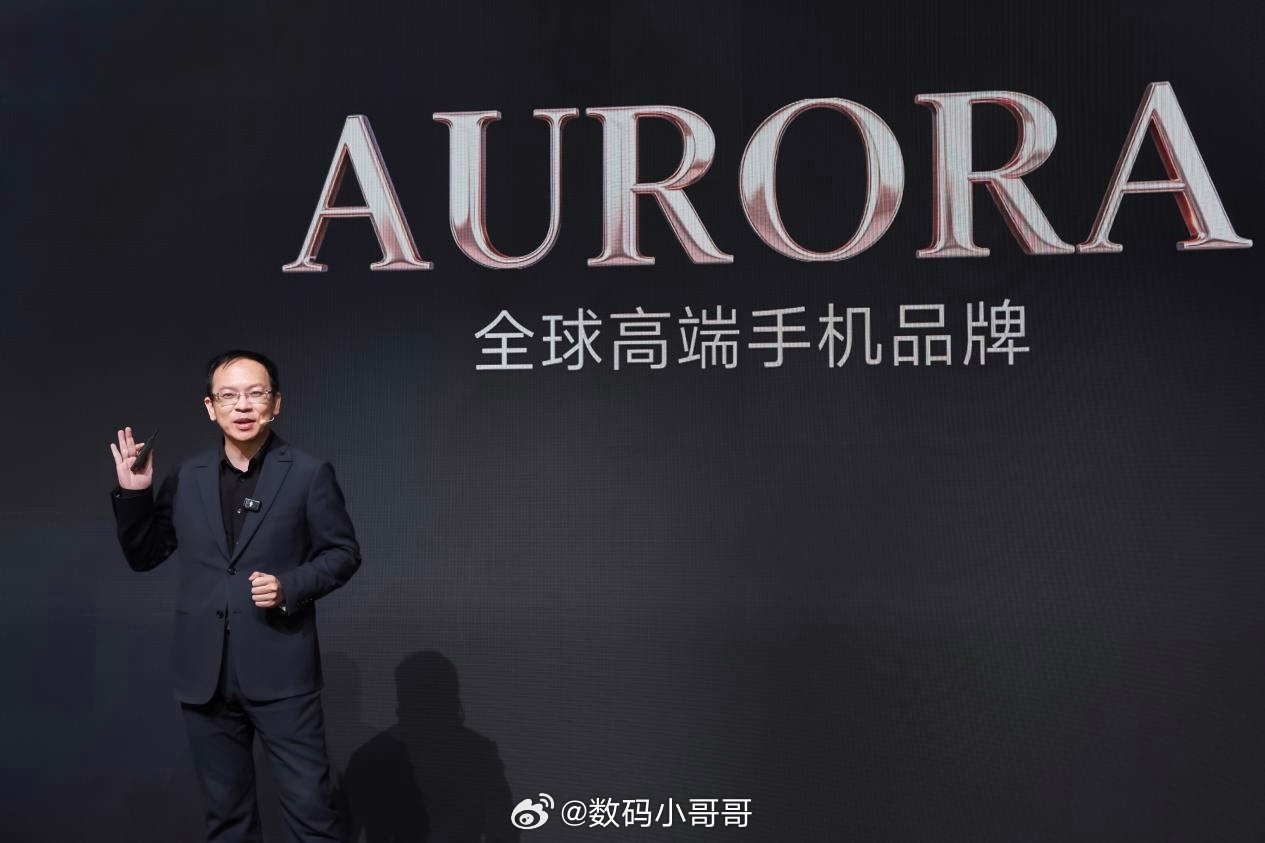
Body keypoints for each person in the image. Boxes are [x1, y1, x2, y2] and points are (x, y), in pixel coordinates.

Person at [108, 349, 362, 842]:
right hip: (204, 675)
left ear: (276, 403)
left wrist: (289, 586)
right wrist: (135, 493)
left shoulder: (308, 473)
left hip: (281, 670)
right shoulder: (187, 475)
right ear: (211, 407)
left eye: (255, 394)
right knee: (227, 819)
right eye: (228, 396)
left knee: (312, 813)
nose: (242, 406)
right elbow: (145, 555)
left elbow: (343, 553)